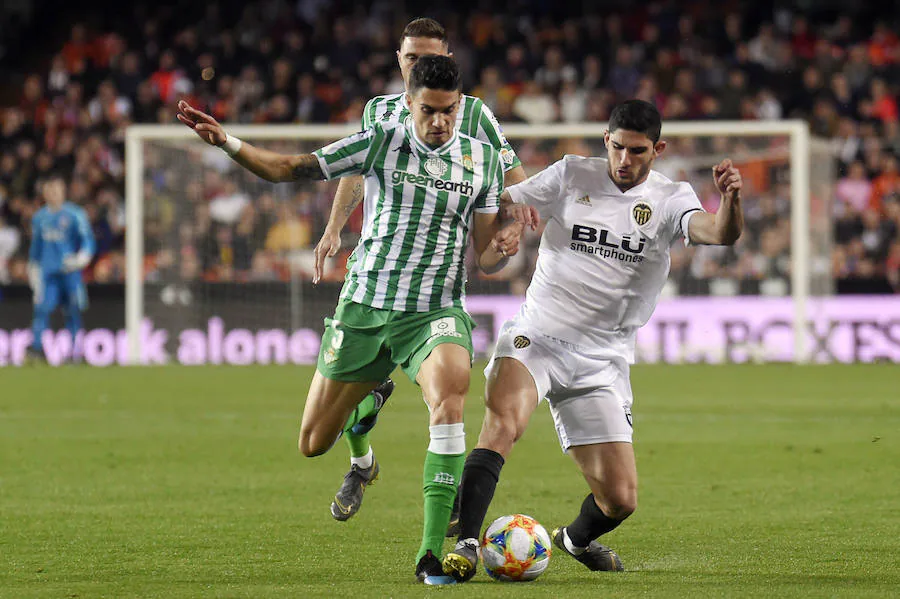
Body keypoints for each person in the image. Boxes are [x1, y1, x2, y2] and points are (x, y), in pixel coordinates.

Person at [176, 55, 526, 584]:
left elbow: (486, 256)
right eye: (429, 111)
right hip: (364, 308)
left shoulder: (482, 160)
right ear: (409, 103)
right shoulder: (380, 141)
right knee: (314, 442)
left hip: (433, 311)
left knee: (451, 393)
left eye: (449, 111)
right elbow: (288, 169)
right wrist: (228, 143)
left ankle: (430, 556)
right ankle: (364, 415)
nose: (440, 122)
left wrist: (504, 244)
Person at [441, 99, 744, 581]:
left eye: (638, 151)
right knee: (504, 423)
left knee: (620, 500)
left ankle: (574, 539)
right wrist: (511, 213)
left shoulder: (671, 198)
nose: (625, 160)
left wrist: (729, 201)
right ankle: (466, 544)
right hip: (537, 337)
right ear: (607, 139)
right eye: (618, 147)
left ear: (658, 149)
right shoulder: (570, 175)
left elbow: (717, 232)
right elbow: (503, 194)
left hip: (602, 359)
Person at [311, 17, 527, 531]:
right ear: (399, 60)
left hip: (434, 292)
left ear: (449, 60)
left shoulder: (472, 116)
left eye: (430, 58)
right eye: (410, 58)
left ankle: (445, 501)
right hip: (375, 276)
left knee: (449, 395)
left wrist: (511, 222)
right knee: (320, 431)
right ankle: (362, 459)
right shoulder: (380, 112)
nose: (418, 65)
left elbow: (514, 179)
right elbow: (356, 172)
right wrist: (334, 228)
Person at [27, 173, 95, 363]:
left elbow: (88, 241)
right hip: (49, 275)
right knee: (42, 309)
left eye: (56, 189)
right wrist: (32, 270)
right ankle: (37, 350)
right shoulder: (39, 218)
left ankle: (75, 353)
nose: (53, 193)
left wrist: (81, 259)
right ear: (45, 193)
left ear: (63, 191)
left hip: (70, 274)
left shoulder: (75, 215)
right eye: (49, 190)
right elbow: (36, 249)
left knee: (72, 311)